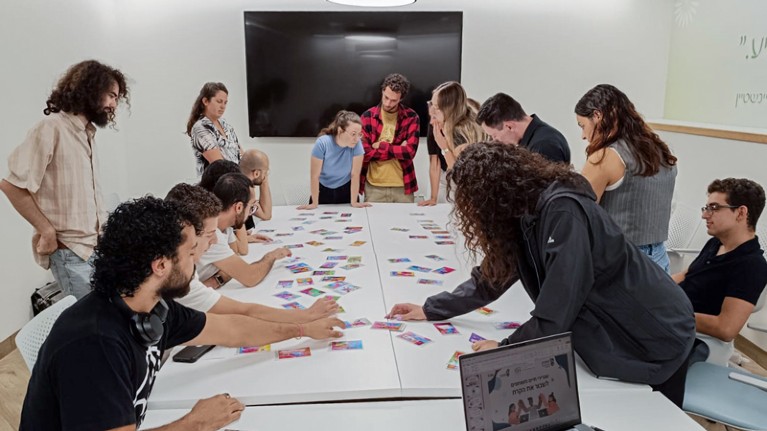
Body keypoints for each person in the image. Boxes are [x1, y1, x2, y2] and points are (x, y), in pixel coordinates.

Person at [387, 142, 695, 406]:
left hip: (653, 334)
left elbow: (558, 307)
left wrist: (505, 349)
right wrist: (432, 308)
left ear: (491, 194)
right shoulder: (523, 211)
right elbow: (493, 276)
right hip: (613, 334)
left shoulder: (563, 212)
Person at [19, 197, 343, 430]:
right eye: (190, 253)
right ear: (160, 265)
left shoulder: (153, 306)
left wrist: (301, 328)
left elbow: (232, 330)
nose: (196, 262)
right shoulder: (95, 343)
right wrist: (196, 423)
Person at [0, 60, 129, 299]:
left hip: (94, 248)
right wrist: (46, 230)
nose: (113, 105)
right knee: (90, 326)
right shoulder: (52, 128)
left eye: (117, 99)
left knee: (102, 321)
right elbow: (11, 185)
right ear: (91, 88)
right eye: (111, 96)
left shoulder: (88, 135)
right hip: (70, 251)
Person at [165, 182, 338, 321]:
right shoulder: (179, 278)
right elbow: (245, 301)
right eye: (211, 234)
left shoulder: (185, 270)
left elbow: (239, 252)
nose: (215, 240)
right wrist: (303, 319)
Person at [575, 84, 677, 272]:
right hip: (660, 261)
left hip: (622, 263)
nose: (583, 135)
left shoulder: (604, 157)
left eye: (582, 126)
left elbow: (579, 218)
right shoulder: (661, 152)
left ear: (597, 116)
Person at [673, 178, 767, 345]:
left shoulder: (751, 265)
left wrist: (668, 312)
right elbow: (687, 275)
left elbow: (726, 328)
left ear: (741, 213)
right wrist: (654, 289)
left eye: (714, 208)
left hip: (683, 336)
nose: (704, 215)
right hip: (668, 318)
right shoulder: (716, 243)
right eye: (706, 208)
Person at [198, 172, 291, 288]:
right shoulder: (212, 234)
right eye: (251, 207)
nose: (251, 212)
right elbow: (251, 277)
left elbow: (236, 254)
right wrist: (272, 256)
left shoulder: (225, 226)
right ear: (238, 207)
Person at [420, 82, 487, 206]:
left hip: (468, 182)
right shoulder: (436, 123)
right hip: (453, 176)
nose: (433, 113)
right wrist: (433, 198)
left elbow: (458, 173)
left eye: (437, 107)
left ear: (448, 108)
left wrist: (444, 147)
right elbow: (436, 163)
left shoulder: (463, 130)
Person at [360, 73, 420, 203]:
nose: (388, 103)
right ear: (382, 91)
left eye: (393, 100)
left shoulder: (411, 117)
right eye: (386, 97)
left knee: (405, 223)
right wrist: (398, 150)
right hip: (374, 186)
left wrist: (381, 146)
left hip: (403, 185)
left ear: (401, 98)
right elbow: (364, 153)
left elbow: (410, 152)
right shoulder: (367, 116)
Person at [297, 110, 371, 209]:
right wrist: (314, 203)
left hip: (346, 189)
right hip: (323, 190)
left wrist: (354, 202)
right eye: (353, 134)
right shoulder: (322, 143)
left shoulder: (357, 145)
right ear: (340, 130)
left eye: (359, 134)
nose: (357, 139)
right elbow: (315, 175)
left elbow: (355, 174)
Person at [476, 92, 570, 163]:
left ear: (509, 126)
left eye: (494, 136)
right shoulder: (541, 138)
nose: (494, 141)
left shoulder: (543, 146)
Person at [187, 82, 243, 177]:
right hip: (215, 185)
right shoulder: (200, 127)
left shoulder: (225, 125)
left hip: (236, 181)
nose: (223, 106)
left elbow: (241, 154)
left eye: (225, 103)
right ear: (205, 101)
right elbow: (219, 165)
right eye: (219, 101)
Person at [240, 149, 273, 223]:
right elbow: (266, 215)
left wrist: (263, 181)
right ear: (256, 173)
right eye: (266, 172)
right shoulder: (242, 192)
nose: (266, 175)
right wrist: (263, 179)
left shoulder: (246, 187)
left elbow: (266, 214)